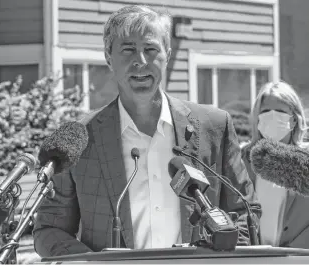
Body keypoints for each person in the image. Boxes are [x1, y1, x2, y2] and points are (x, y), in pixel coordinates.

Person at [33, 5, 261, 257]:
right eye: (128, 49)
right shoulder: (80, 139)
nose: (140, 61)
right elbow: (50, 230)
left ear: (168, 55)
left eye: (151, 49)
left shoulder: (215, 126)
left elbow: (244, 214)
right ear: (109, 57)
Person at [241, 81, 309, 248]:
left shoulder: (305, 159)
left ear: (294, 119)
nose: (272, 116)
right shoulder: (243, 159)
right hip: (252, 257)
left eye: (280, 111)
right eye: (265, 112)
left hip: (298, 257)